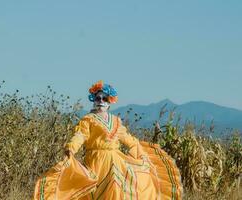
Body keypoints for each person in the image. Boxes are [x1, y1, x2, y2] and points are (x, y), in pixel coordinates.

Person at [34, 80, 182, 200]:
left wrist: (141, 152)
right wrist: (71, 147)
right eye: (98, 98)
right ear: (94, 100)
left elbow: (127, 138)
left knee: (117, 190)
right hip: (96, 161)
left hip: (116, 162)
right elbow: (81, 135)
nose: (101, 101)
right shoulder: (88, 120)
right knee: (95, 193)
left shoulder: (116, 121)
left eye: (104, 98)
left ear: (110, 102)